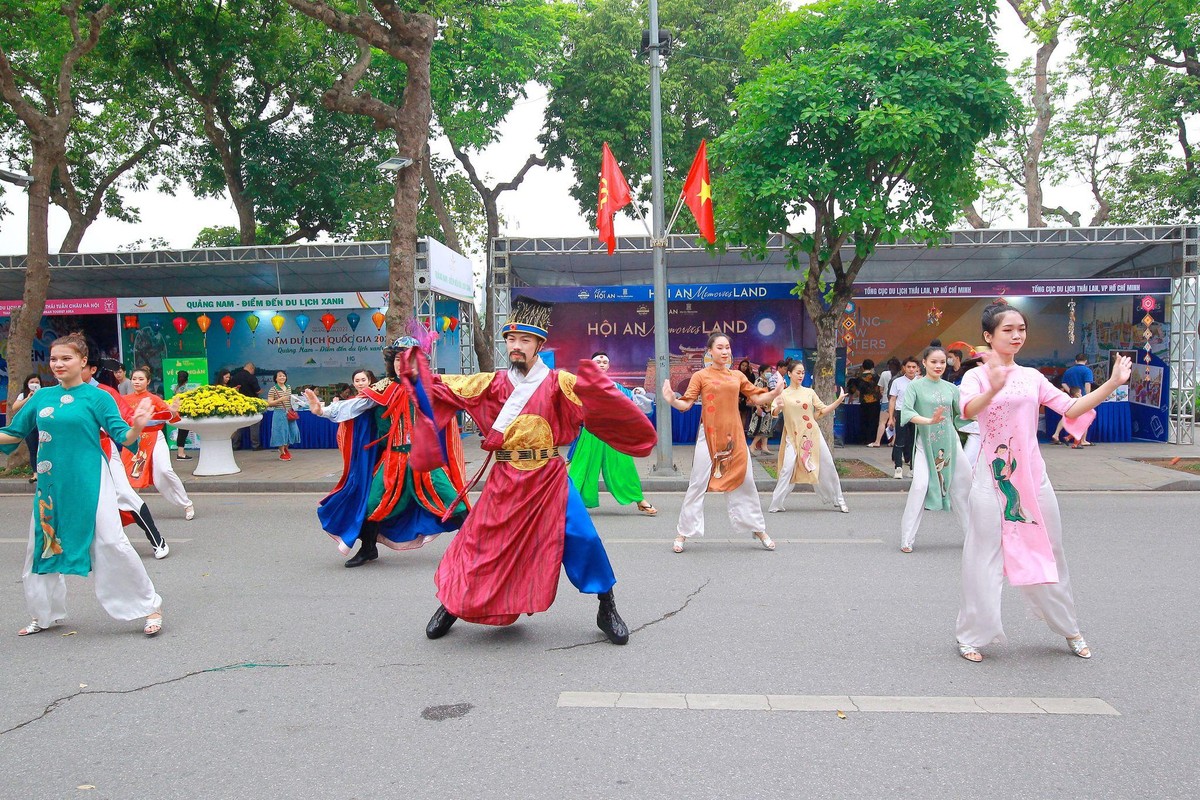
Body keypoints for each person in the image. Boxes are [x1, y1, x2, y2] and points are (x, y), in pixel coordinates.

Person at [419, 297, 656, 645]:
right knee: (478, 542)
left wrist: (608, 391)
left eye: (524, 340)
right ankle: (451, 603)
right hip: (504, 478)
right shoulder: (493, 383)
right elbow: (442, 387)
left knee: (583, 538)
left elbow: (597, 399)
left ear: (539, 345)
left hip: (549, 476)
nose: (516, 346)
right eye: (511, 340)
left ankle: (607, 606)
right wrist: (415, 370)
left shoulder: (559, 381)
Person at [954, 301, 1130, 663]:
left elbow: (1071, 409)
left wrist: (1112, 383)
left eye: (1021, 329)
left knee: (1051, 552)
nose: (1017, 335)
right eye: (1007, 330)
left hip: (1034, 479)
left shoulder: (1032, 377)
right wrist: (993, 387)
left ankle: (1069, 628)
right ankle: (971, 634)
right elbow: (968, 411)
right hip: (993, 480)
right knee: (982, 557)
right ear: (988, 336)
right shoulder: (975, 376)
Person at [0, 334, 164, 637]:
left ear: (83, 362)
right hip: (51, 485)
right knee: (42, 545)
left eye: (66, 358)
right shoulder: (41, 397)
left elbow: (124, 436)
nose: (58, 364)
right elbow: (13, 434)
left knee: (111, 541)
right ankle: (43, 614)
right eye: (53, 359)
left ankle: (149, 606)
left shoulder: (98, 397)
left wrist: (138, 425)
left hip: (91, 479)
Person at [306, 349, 468, 568]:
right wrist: (322, 410)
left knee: (454, 501)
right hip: (394, 460)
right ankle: (368, 549)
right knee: (371, 504)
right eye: (398, 360)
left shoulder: (433, 387)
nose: (402, 364)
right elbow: (354, 406)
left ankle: (475, 547)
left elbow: (468, 397)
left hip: (426, 458)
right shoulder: (383, 389)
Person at [663, 332, 783, 554]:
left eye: (727, 347)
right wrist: (672, 399)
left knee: (745, 482)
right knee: (697, 484)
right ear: (710, 351)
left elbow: (757, 398)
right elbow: (686, 404)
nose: (725, 351)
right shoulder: (700, 376)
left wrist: (775, 392)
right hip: (708, 436)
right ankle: (683, 532)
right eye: (720, 347)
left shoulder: (737, 375)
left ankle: (758, 529)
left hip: (734, 437)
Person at [897, 345, 971, 553]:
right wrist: (929, 420)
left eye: (942, 362)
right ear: (924, 363)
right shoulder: (915, 387)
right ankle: (906, 538)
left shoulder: (951, 389)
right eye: (934, 362)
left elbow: (963, 414)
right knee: (920, 486)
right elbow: (908, 413)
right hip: (925, 444)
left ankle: (971, 537)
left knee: (963, 488)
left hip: (951, 443)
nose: (938, 366)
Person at [567, 351, 657, 516]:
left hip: (613, 433)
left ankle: (639, 499)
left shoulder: (615, 387)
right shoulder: (580, 386)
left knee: (624, 467)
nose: (601, 364)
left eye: (605, 362)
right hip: (590, 433)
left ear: (608, 366)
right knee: (581, 469)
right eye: (598, 362)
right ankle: (567, 503)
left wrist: (637, 395)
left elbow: (632, 402)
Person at [767, 359, 849, 514]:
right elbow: (774, 413)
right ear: (789, 374)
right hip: (793, 436)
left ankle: (840, 500)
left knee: (828, 465)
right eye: (798, 372)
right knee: (787, 469)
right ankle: (777, 503)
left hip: (812, 435)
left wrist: (838, 401)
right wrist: (778, 407)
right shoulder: (782, 394)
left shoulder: (809, 392)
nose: (801, 375)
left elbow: (823, 410)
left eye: (803, 372)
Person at [122, 367, 196, 521]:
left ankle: (186, 503)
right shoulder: (124, 400)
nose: (137, 382)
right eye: (134, 378)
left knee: (164, 471)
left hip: (155, 438)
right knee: (129, 477)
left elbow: (171, 417)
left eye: (141, 379)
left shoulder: (154, 399)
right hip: (134, 441)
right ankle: (128, 512)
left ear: (148, 381)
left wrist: (174, 411)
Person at [885, 356, 921, 478]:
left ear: (917, 368)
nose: (911, 369)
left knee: (914, 441)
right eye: (908, 367)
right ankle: (898, 468)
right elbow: (892, 400)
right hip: (901, 412)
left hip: (916, 413)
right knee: (899, 440)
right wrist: (891, 417)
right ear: (904, 368)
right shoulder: (897, 381)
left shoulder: (921, 382)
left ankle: (913, 467)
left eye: (913, 367)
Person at [11, 374, 45, 484]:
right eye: (32, 382)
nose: (35, 384)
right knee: (33, 450)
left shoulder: (44, 393)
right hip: (30, 426)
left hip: (43, 425)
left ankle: (44, 472)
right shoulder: (23, 395)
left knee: (44, 449)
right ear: (27, 383)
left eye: (37, 382)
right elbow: (14, 407)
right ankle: (35, 474)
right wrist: (28, 398)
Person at [1058, 354, 1095, 446]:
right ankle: (1082, 440)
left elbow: (1063, 383)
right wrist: (1088, 396)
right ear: (1086, 361)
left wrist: (1071, 392)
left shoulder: (1069, 371)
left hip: (1072, 397)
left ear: (1075, 361)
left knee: (1068, 416)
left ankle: (1064, 436)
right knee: (1086, 418)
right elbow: (1087, 384)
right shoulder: (1087, 371)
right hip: (1082, 398)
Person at [267, 370, 301, 461]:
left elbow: (291, 399)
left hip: (289, 412)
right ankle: (282, 452)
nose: (282, 377)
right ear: (276, 378)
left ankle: (286, 448)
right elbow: (269, 403)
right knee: (281, 432)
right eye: (280, 376)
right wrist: (280, 399)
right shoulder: (273, 389)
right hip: (279, 412)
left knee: (292, 431)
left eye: (284, 376)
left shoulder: (288, 387)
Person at [747, 362, 779, 456]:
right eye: (767, 371)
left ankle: (764, 447)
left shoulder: (768, 382)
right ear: (761, 372)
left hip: (768, 408)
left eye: (770, 371)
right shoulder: (759, 381)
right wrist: (758, 407)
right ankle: (752, 446)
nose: (769, 373)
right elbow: (754, 395)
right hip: (761, 408)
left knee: (766, 428)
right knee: (761, 429)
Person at [869, 357, 902, 447]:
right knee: (895, 422)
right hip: (897, 402)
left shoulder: (884, 374)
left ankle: (877, 441)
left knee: (882, 422)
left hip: (886, 400)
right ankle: (893, 442)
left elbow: (881, 388)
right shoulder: (901, 375)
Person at [230, 362, 262, 450]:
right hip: (251, 403)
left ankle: (235, 445)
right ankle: (255, 445)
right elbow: (257, 391)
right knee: (254, 423)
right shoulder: (251, 377)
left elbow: (231, 390)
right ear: (251, 369)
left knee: (238, 425)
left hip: (238, 403)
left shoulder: (235, 377)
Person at [850, 359, 882, 445]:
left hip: (863, 401)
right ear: (873, 366)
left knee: (864, 421)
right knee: (873, 421)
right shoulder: (876, 377)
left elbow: (852, 390)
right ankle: (871, 439)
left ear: (863, 367)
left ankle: (863, 439)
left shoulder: (859, 377)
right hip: (875, 401)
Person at [173, 370, 191, 459]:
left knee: (181, 432)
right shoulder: (185, 389)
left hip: (178, 412)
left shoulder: (176, 388)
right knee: (183, 432)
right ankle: (181, 454)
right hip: (184, 411)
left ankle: (180, 452)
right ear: (187, 379)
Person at [736, 358, 756, 430]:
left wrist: (751, 373)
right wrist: (737, 396)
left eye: (746, 366)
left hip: (745, 397)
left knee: (744, 415)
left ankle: (742, 432)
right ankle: (736, 432)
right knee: (737, 416)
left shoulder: (749, 375)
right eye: (742, 365)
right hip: (737, 397)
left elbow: (752, 384)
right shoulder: (736, 374)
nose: (744, 367)